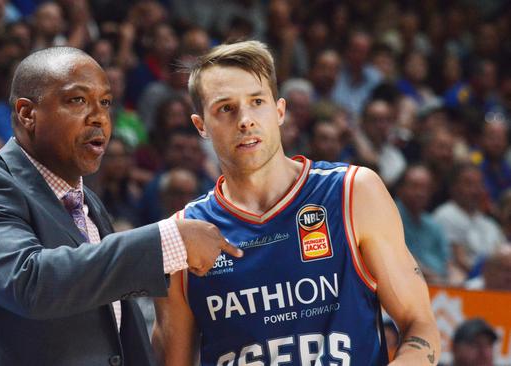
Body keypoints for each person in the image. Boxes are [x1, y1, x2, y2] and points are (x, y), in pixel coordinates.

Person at [0, 46, 242, 365]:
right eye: (78, 100)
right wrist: (166, 241)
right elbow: (29, 282)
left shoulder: (88, 205)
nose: (99, 116)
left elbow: (113, 336)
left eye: (105, 102)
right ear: (27, 113)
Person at [154, 40, 439, 365]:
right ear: (200, 125)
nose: (245, 119)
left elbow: (421, 326)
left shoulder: (353, 192)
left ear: (279, 111)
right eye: (226, 108)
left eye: (257, 101)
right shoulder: (181, 236)